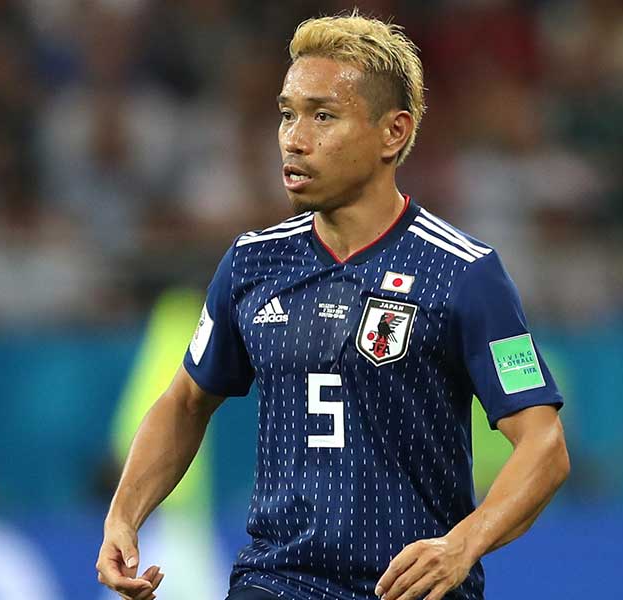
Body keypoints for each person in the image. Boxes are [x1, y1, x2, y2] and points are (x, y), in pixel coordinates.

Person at [97, 12, 569, 600]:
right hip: (277, 581)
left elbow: (544, 446)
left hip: (410, 589)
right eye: (287, 114)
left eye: (323, 116)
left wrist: (462, 545)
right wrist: (123, 515)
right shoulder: (252, 263)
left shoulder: (464, 274)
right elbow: (185, 402)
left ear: (393, 133)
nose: (294, 138)